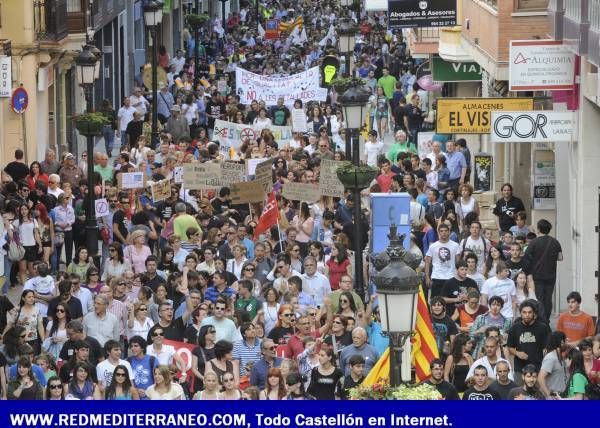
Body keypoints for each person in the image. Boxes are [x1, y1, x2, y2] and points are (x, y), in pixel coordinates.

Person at [522, 219, 562, 324]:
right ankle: (546, 320)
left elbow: (526, 258)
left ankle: (543, 321)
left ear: (539, 229)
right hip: (551, 275)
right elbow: (560, 257)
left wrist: (528, 274)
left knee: (539, 299)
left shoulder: (534, 242)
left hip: (537, 275)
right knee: (548, 299)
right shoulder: (555, 242)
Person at [507, 300, 550, 383]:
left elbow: (546, 348)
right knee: (519, 394)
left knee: (537, 395)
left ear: (534, 313)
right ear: (520, 313)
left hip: (537, 368)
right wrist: (517, 353)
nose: (527, 315)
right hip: (520, 369)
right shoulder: (515, 328)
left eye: (530, 312)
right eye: (524, 312)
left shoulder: (542, 328)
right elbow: (510, 347)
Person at [424, 223, 460, 298]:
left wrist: (459, 276)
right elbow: (427, 262)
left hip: (451, 277)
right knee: (436, 301)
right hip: (437, 277)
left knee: (452, 301)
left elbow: (458, 262)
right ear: (438, 232)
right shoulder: (433, 246)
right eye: (441, 231)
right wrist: (427, 277)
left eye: (445, 231)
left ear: (449, 232)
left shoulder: (455, 245)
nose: (444, 233)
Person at [538, 331, 568, 398]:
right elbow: (540, 378)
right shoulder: (551, 358)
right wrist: (548, 394)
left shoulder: (560, 356)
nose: (567, 343)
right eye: (565, 341)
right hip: (553, 396)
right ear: (561, 342)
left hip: (560, 396)